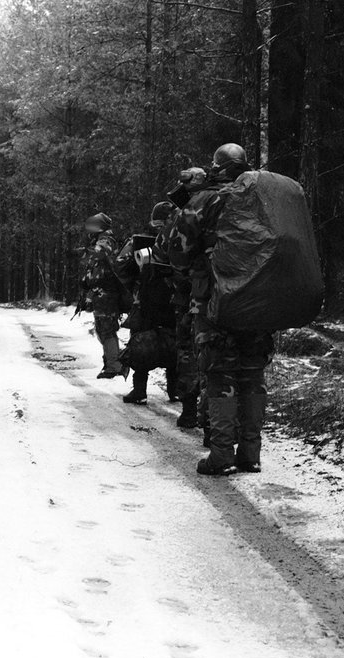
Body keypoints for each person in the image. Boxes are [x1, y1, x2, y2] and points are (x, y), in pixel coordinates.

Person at [167, 144, 271, 476]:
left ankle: (222, 455)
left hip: (216, 302)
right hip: (257, 302)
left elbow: (176, 251)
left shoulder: (206, 199)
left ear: (216, 168)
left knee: (220, 374)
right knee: (252, 374)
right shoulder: (262, 198)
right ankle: (250, 454)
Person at [114, 202, 180, 405]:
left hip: (149, 300)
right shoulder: (179, 236)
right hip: (169, 299)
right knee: (171, 342)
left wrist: (136, 282)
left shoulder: (143, 241)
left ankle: (142, 390)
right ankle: (173, 389)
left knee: (143, 343)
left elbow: (120, 266)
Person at [164, 167, 210, 431]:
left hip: (193, 296)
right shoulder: (228, 203)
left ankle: (191, 411)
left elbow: (172, 252)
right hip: (230, 293)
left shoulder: (187, 212)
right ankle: (214, 423)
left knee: (189, 351)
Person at [79, 212, 130, 379]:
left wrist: (84, 252)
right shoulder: (99, 240)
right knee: (102, 328)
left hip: (107, 293)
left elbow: (100, 253)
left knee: (106, 329)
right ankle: (112, 362)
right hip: (101, 293)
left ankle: (116, 364)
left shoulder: (106, 240)